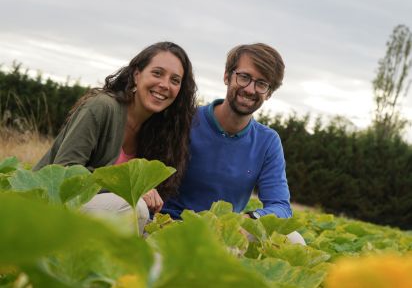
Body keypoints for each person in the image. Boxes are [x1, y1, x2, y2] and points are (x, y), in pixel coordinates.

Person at [34, 42, 197, 232]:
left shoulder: (162, 132)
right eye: (157, 73)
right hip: (48, 207)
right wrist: (130, 189)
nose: (164, 85)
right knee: (135, 210)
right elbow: (65, 170)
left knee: (165, 244)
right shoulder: (101, 107)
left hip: (100, 218)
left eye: (175, 80)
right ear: (137, 75)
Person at [162, 42, 296, 228]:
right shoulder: (184, 120)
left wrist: (251, 218)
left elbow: (281, 207)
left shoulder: (267, 141)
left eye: (262, 84)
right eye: (244, 77)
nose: (250, 89)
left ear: (269, 93)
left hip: (226, 234)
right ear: (227, 76)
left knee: (294, 238)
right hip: (170, 225)